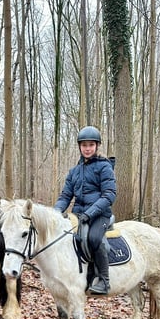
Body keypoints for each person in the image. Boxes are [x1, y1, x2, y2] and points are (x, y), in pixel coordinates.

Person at [53, 126, 117, 295]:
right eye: (84, 145)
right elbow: (65, 196)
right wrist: (55, 213)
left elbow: (109, 194)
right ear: (80, 147)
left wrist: (91, 212)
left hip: (100, 214)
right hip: (79, 214)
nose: (87, 148)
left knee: (94, 239)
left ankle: (104, 280)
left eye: (91, 145)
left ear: (97, 146)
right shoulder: (74, 172)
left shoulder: (104, 167)